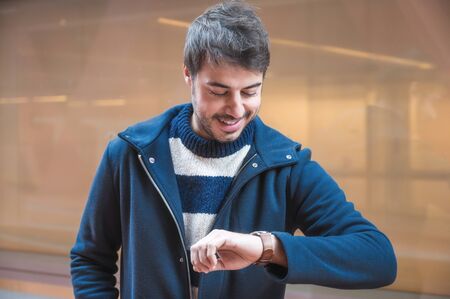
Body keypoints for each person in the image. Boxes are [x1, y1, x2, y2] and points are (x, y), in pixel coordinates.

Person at [70, 1, 397, 298]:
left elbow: (377, 258)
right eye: (219, 91)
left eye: (250, 91)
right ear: (189, 75)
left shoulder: (286, 166)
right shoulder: (130, 154)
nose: (236, 108)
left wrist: (264, 248)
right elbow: (90, 260)